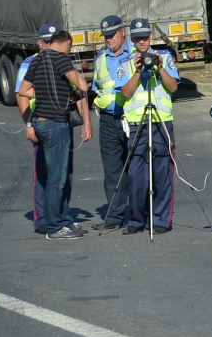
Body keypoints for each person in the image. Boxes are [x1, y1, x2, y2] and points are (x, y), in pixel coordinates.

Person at [18, 30, 93, 240]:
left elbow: (23, 90)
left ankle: (63, 220)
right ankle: (54, 226)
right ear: (67, 43)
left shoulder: (37, 60)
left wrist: (44, 92)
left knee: (55, 174)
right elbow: (82, 86)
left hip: (41, 121)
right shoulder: (61, 59)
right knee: (57, 177)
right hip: (55, 124)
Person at [120, 18, 180, 235]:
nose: (141, 41)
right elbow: (125, 93)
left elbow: (173, 87)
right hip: (138, 123)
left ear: (151, 36)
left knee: (162, 171)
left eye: (144, 37)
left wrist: (160, 68)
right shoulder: (127, 61)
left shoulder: (163, 57)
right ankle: (136, 219)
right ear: (132, 39)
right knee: (136, 175)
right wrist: (137, 72)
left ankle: (161, 218)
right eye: (136, 38)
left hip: (161, 121)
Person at [91, 15, 135, 231]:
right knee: (112, 170)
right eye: (106, 35)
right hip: (109, 121)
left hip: (132, 119)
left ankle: (138, 215)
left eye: (112, 34)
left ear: (123, 32)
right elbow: (97, 89)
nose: (109, 39)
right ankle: (115, 216)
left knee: (137, 168)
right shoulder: (100, 58)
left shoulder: (136, 54)